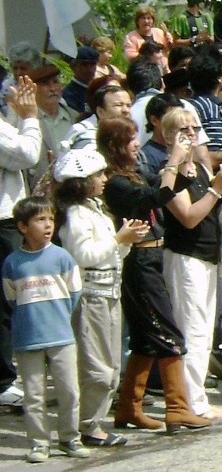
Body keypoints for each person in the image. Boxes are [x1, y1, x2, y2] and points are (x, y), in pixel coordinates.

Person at [98, 118, 213, 434]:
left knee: (145, 338)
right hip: (139, 261)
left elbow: (165, 187)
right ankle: (177, 409)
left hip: (152, 256)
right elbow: (154, 198)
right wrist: (174, 160)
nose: (137, 144)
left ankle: (129, 409)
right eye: (130, 139)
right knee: (168, 332)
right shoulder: (115, 182)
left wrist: (184, 163)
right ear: (114, 146)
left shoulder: (131, 175)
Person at [160, 106, 222, 421]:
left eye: (193, 129)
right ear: (166, 136)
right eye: (181, 130)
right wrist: (217, 189)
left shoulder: (199, 169)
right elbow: (188, 217)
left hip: (208, 257)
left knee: (203, 332)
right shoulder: (168, 174)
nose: (189, 135)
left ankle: (195, 397)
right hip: (186, 259)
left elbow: (212, 210)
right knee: (192, 330)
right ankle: (190, 402)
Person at [52, 148, 149, 447]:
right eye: (98, 174)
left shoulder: (95, 210)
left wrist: (126, 241)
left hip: (109, 292)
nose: (105, 179)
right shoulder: (76, 215)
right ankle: (87, 425)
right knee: (97, 366)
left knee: (110, 364)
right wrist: (119, 239)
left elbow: (111, 254)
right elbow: (83, 255)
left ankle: (93, 421)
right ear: (82, 181)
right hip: (91, 296)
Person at [2, 195, 88, 462]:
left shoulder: (62, 257)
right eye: (40, 220)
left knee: (69, 391)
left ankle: (70, 437)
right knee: (34, 395)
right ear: (23, 227)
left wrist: (57, 317)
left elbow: (74, 293)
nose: (48, 224)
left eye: (50, 218)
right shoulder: (13, 263)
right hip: (28, 339)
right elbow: (11, 298)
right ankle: (39, 442)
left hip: (61, 336)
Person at [0, 75, 41, 410]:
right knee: (7, 300)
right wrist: (29, 117)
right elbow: (25, 153)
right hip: (2, 223)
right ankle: (3, 380)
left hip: (6, 220)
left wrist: (18, 114)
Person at [61, 46, 100, 115]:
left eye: (93, 64)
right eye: (84, 65)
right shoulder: (69, 94)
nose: (89, 69)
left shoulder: (99, 89)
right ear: (73, 66)